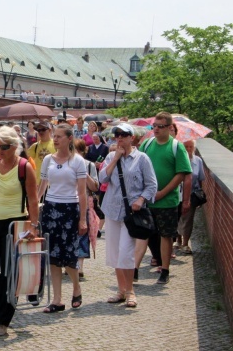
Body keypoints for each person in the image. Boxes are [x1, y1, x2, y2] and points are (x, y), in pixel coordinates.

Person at [0, 126, 39, 336]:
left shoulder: (24, 167)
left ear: (15, 146)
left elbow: (33, 199)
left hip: (16, 222)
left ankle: (2, 320)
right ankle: (4, 303)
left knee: (11, 272)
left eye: (4, 146)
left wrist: (33, 225)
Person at [98, 123, 157, 308]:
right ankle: (121, 290)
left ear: (132, 137)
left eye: (124, 135)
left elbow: (152, 185)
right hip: (112, 209)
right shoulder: (110, 156)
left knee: (126, 252)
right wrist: (115, 158)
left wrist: (141, 199)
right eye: (117, 135)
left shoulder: (142, 159)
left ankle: (131, 290)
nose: (120, 138)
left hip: (132, 212)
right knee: (115, 253)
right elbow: (102, 179)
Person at [134, 112, 191, 285]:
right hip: (147, 199)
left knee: (166, 235)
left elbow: (181, 173)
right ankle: (134, 268)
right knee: (142, 234)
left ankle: (164, 269)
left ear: (169, 127)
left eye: (159, 126)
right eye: (154, 126)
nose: (156, 129)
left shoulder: (176, 146)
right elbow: (137, 165)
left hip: (167, 201)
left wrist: (162, 192)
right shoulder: (147, 144)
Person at [36, 124, 87, 313]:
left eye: (59, 136)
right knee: (52, 255)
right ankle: (57, 299)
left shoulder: (77, 161)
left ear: (69, 139)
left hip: (69, 209)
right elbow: (43, 185)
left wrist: (83, 219)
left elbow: (82, 193)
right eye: (54, 136)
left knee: (68, 254)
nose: (55, 140)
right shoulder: (48, 159)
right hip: (50, 208)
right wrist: (34, 206)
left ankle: (76, 287)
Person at [73, 139, 99, 280]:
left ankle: (80, 266)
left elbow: (95, 187)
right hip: (70, 203)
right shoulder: (66, 165)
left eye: (77, 150)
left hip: (85, 203)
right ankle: (71, 263)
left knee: (83, 234)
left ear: (82, 152)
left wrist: (84, 172)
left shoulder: (89, 166)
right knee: (71, 234)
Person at [177, 140, 206, 254]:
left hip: (192, 194)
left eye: (191, 147)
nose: (188, 149)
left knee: (188, 219)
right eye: (186, 146)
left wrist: (200, 194)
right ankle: (178, 239)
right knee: (177, 217)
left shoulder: (197, 161)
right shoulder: (177, 159)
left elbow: (200, 179)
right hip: (177, 193)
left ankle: (185, 243)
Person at [26, 121, 55, 186]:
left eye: (43, 129)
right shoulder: (35, 146)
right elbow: (26, 159)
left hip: (53, 183)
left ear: (50, 130)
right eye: (39, 130)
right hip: (39, 182)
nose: (41, 132)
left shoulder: (55, 144)